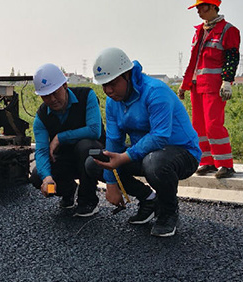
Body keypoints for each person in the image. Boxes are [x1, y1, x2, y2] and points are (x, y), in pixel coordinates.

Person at [86, 47, 201, 237]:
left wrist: (124, 157)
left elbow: (160, 136)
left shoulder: (155, 92)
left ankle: (168, 212)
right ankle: (149, 199)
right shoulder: (113, 102)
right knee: (94, 164)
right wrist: (111, 183)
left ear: (128, 75)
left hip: (182, 153)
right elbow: (114, 140)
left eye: (112, 83)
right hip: (146, 153)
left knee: (154, 163)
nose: (108, 90)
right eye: (104, 85)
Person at [178, 0, 241, 179]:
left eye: (202, 6)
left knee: (214, 125)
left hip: (215, 87)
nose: (198, 11)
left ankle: (225, 164)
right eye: (197, 7)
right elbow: (193, 61)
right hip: (197, 87)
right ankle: (207, 162)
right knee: (198, 126)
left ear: (214, 7)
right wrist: (184, 84)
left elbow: (231, 58)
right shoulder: (199, 30)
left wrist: (227, 81)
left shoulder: (228, 30)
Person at [30, 63, 105, 217]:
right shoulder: (42, 116)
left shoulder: (87, 96)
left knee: (85, 147)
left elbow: (94, 130)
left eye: (55, 93)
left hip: (95, 160)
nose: (51, 99)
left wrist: (60, 138)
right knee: (38, 175)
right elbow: (42, 151)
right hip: (67, 161)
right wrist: (47, 177)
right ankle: (68, 191)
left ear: (64, 85)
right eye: (45, 96)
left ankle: (88, 201)